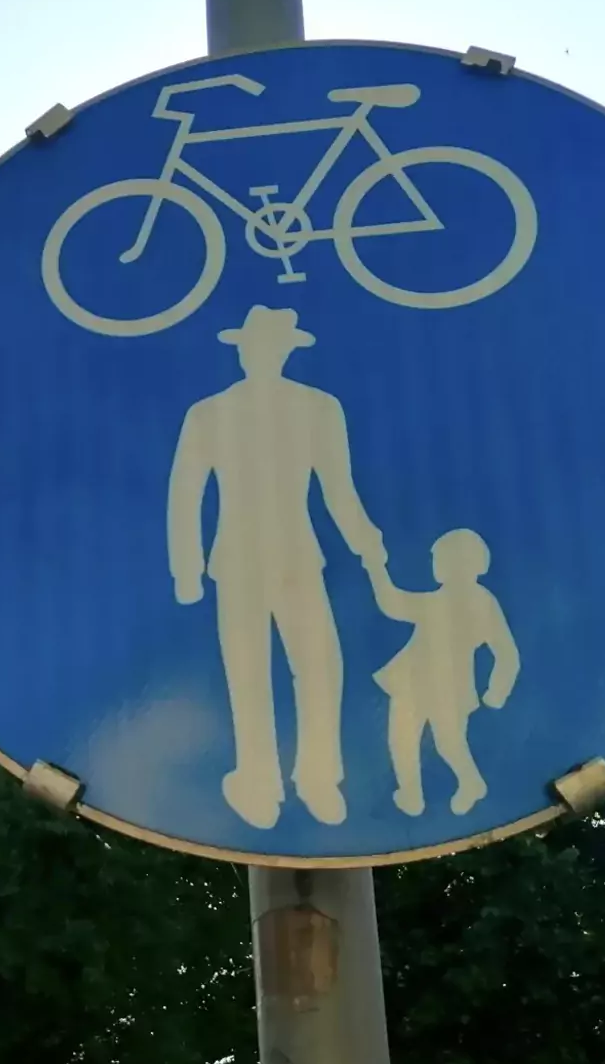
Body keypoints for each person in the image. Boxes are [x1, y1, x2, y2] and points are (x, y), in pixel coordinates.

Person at [168, 306, 385, 829]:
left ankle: (317, 777)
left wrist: (365, 541)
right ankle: (259, 782)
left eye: (268, 347)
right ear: (242, 352)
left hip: (297, 558)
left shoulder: (317, 409)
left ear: (285, 352)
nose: (259, 354)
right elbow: (185, 495)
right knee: (249, 674)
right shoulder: (208, 414)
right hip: (236, 561)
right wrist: (187, 570)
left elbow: (338, 490)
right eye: (253, 347)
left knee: (319, 665)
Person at [366, 528, 519, 817]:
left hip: (446, 684)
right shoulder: (444, 599)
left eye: (441, 559)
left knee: (446, 742)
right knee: (405, 740)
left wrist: (498, 690)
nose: (435, 565)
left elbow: (506, 651)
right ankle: (412, 794)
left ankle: (468, 782)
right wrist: (375, 569)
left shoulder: (477, 602)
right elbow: (393, 604)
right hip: (416, 682)